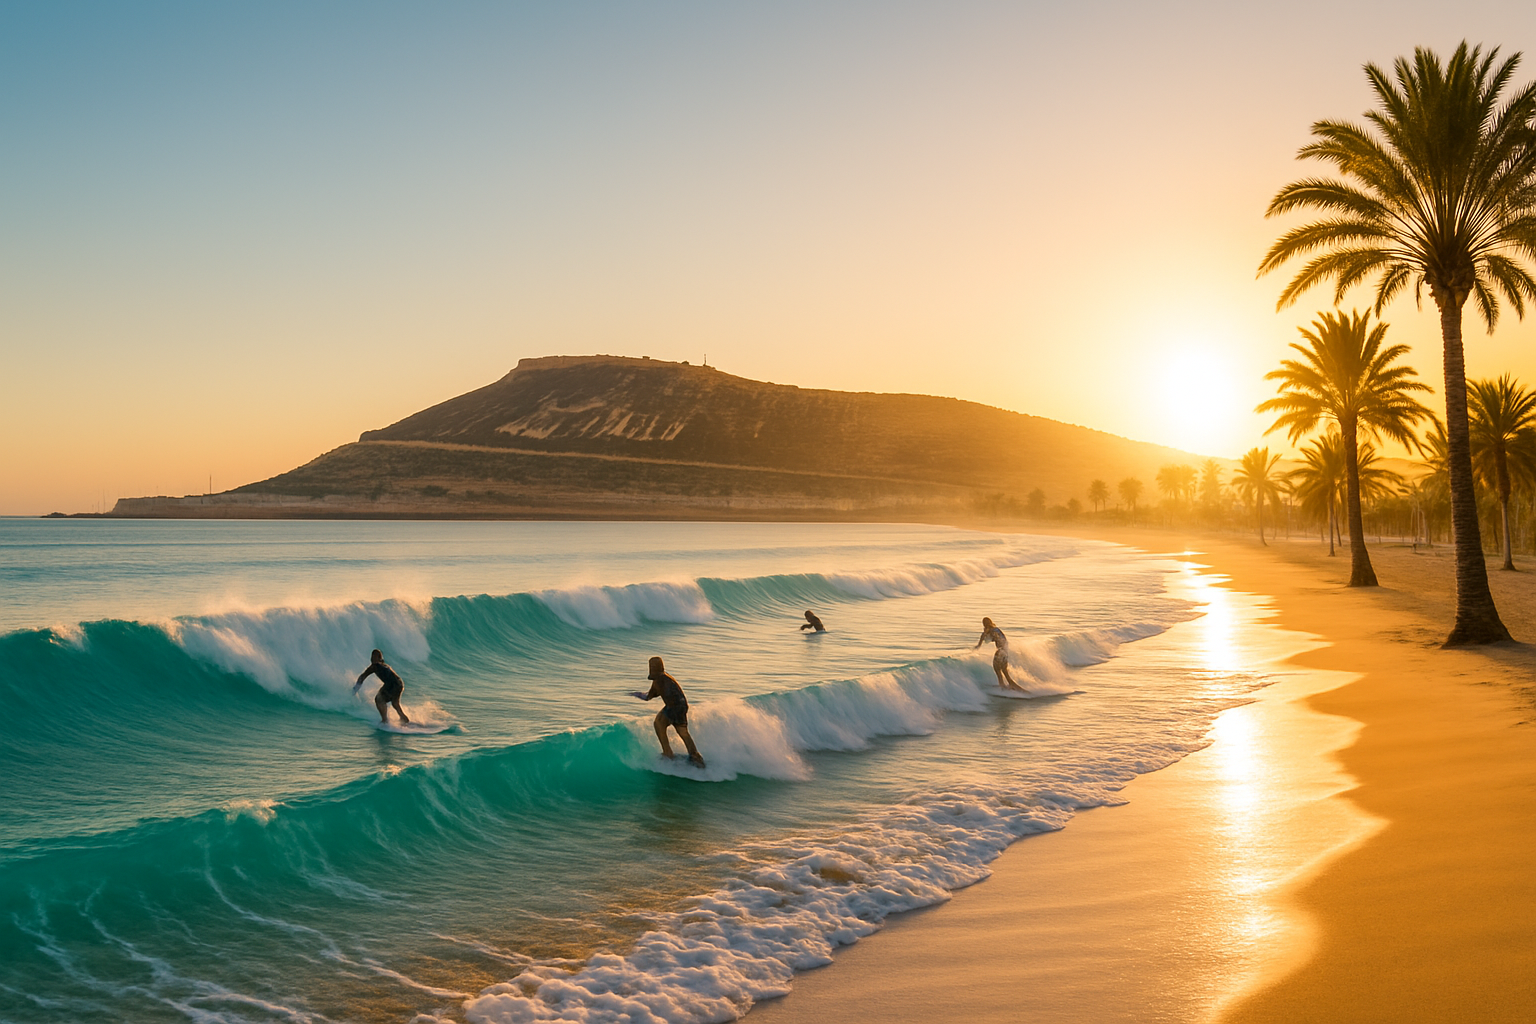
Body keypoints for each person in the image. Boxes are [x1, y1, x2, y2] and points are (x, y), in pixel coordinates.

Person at [631, 656, 705, 767]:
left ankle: (668, 753)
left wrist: (637, 695)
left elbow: (649, 696)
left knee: (659, 723)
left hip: (675, 707)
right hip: (681, 705)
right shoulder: (663, 678)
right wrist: (641, 695)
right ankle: (695, 755)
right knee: (682, 731)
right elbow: (651, 694)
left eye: (652, 666)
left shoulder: (660, 680)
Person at [354, 649, 410, 724]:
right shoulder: (384, 665)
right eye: (372, 656)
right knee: (395, 703)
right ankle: (403, 718)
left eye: (375, 657)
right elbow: (363, 676)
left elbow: (363, 676)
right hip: (399, 683)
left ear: (379, 658)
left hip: (393, 684)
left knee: (379, 699)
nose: (372, 659)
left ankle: (385, 720)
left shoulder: (375, 666)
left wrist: (355, 689)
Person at [975, 617, 1026, 692]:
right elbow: (996, 638)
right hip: (1005, 652)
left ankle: (1002, 685)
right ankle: (1010, 684)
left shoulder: (989, 630)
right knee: (1004, 670)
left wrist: (978, 645)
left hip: (1000, 651)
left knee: (997, 669)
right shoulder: (996, 629)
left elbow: (985, 640)